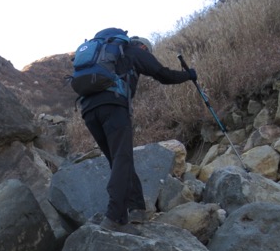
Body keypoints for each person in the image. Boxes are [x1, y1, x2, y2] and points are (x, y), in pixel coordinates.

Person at [79, 29, 197, 233]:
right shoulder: (135, 51)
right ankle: (114, 216)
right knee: (122, 159)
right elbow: (163, 74)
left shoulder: (104, 56)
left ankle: (137, 209)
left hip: (88, 110)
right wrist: (188, 75)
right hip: (114, 107)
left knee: (118, 160)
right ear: (143, 47)